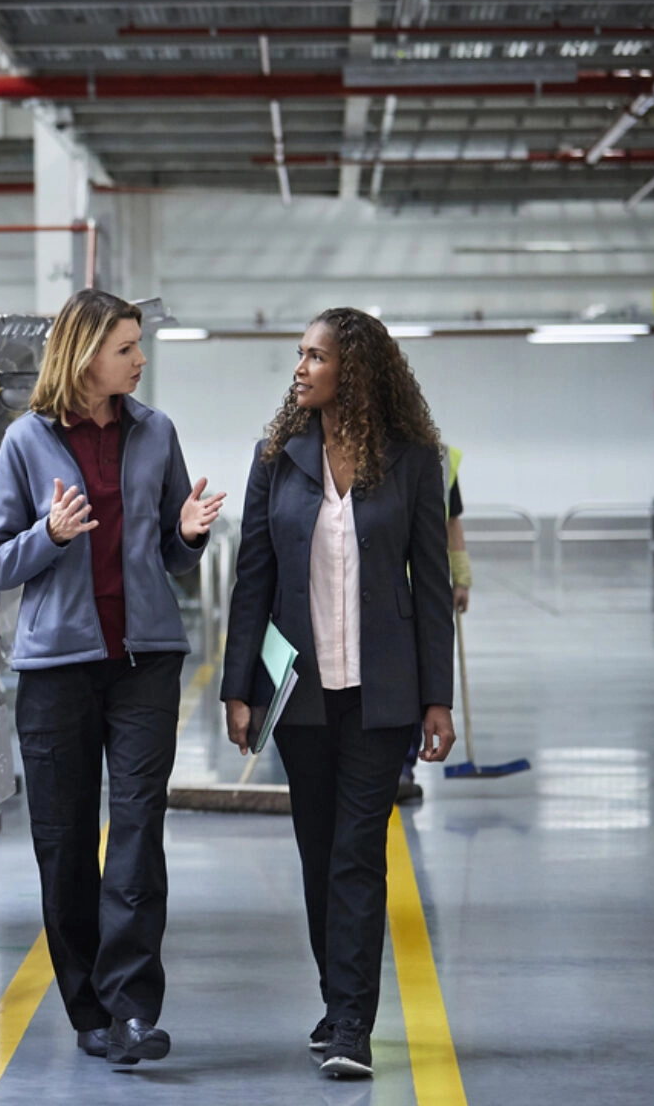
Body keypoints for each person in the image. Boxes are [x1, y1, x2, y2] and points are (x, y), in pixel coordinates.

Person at [0, 290, 225, 1067]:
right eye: (126, 348)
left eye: (138, 345)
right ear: (85, 356)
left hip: (145, 660)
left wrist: (187, 535)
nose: (140, 359)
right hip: (57, 669)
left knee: (139, 833)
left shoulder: (156, 433)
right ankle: (88, 1009)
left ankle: (133, 1010)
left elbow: (173, 555)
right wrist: (49, 536)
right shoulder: (26, 441)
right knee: (65, 843)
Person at [219, 307, 456, 1080]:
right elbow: (253, 579)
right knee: (319, 853)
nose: (301, 368)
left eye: (315, 356)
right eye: (300, 355)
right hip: (301, 695)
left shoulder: (414, 461)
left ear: (354, 370)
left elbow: (431, 585)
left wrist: (438, 698)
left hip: (383, 695)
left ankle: (353, 1022)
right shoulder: (276, 460)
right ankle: (336, 1000)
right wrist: (238, 689)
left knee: (358, 854)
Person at [397, 451, 470, 805]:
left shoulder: (442, 458)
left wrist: (461, 577)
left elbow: (451, 522)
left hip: (424, 586)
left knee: (414, 679)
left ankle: (403, 766)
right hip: (387, 584)